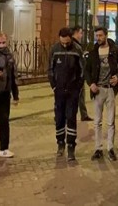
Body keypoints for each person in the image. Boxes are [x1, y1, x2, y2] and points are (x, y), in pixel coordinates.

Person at [86, 27, 118, 161]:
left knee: (111, 121)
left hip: (110, 89)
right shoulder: (93, 52)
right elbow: (86, 70)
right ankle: (98, 148)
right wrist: (90, 83)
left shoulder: (114, 50)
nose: (98, 38)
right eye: (96, 36)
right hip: (97, 90)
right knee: (97, 122)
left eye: (100, 35)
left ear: (106, 35)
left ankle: (110, 148)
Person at [48, 27, 85, 161]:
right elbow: (50, 69)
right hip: (59, 91)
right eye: (62, 42)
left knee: (71, 118)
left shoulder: (77, 49)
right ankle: (60, 143)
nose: (64, 44)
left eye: (67, 42)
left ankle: (71, 145)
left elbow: (82, 70)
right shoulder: (54, 49)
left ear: (70, 39)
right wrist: (54, 86)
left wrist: (78, 87)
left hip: (72, 91)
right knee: (59, 118)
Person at [72, 25, 93, 122]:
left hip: (79, 75)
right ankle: (72, 115)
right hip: (76, 75)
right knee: (75, 96)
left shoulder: (76, 44)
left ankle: (84, 114)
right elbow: (78, 60)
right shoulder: (74, 45)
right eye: (80, 33)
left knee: (81, 96)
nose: (81, 35)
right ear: (76, 33)